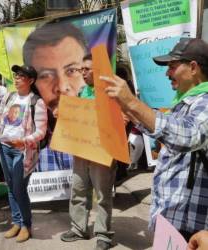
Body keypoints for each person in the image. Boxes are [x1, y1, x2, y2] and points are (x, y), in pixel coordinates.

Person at [101, 38, 208, 241]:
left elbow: (187, 136)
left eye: (172, 67)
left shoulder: (206, 101)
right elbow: (165, 127)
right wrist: (127, 109)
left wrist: (132, 103)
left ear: (193, 67)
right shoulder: (186, 102)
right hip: (174, 220)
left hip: (193, 228)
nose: (167, 73)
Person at [60, 54, 116, 250]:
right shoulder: (82, 91)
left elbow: (121, 121)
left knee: (103, 195)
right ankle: (78, 229)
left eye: (87, 69)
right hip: (82, 152)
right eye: (81, 69)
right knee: (78, 190)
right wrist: (65, 113)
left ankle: (103, 235)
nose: (83, 73)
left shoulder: (111, 93)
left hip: (103, 154)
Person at [0, 65, 47, 242]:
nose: (16, 78)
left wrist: (23, 141)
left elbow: (41, 132)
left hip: (23, 151)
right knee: (11, 186)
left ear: (30, 81)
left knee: (19, 188)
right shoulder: (9, 96)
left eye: (21, 76)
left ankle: (26, 225)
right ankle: (16, 222)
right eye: (16, 75)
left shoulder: (36, 102)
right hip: (4, 147)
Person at [22, 21, 87, 171]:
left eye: (72, 71)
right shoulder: (28, 137)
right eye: (46, 75)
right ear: (33, 84)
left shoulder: (100, 134)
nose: (62, 87)